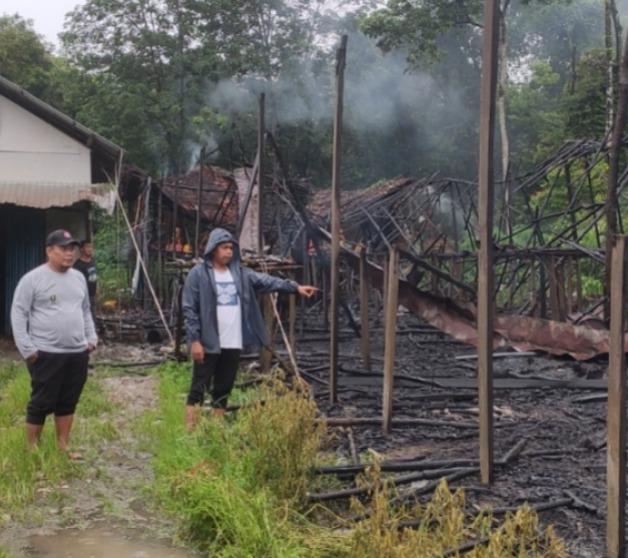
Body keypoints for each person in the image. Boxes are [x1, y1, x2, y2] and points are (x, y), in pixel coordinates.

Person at [182, 227, 317, 428]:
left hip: (232, 341)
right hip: (208, 341)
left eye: (231, 248)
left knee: (223, 388)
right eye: (224, 248)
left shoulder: (240, 274)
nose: (229, 252)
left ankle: (216, 430)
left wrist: (295, 287)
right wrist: (195, 340)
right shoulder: (198, 274)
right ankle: (190, 432)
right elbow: (189, 309)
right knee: (199, 388)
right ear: (213, 249)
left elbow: (266, 281)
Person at [11, 229, 97, 459]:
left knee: (68, 401)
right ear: (49, 251)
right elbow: (19, 314)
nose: (69, 254)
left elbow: (85, 309)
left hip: (77, 352)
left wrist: (91, 338)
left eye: (71, 249)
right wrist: (27, 349)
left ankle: (63, 446)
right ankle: (33, 450)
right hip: (46, 353)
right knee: (41, 402)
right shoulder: (33, 279)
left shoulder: (78, 277)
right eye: (63, 249)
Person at [73, 240, 98, 318]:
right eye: (87, 247)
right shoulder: (78, 265)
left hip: (92, 294)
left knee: (93, 314)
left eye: (91, 247)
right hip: (83, 295)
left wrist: (97, 287)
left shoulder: (92, 261)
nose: (90, 249)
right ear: (81, 249)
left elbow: (94, 275)